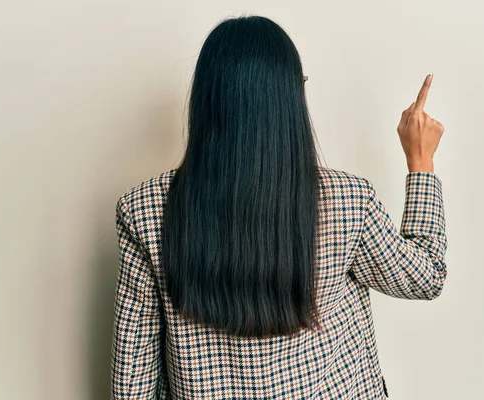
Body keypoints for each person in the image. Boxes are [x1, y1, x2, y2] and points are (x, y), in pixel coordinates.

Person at [110, 15, 446, 400]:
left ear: (205, 102)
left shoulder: (144, 210)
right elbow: (427, 276)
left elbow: (132, 384)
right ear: (290, 100)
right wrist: (420, 162)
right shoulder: (347, 201)